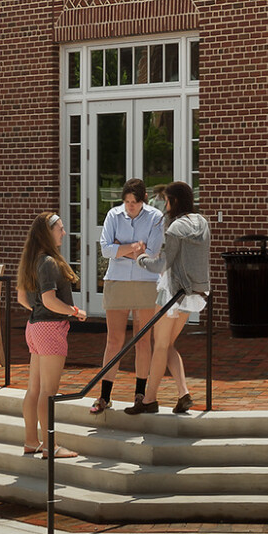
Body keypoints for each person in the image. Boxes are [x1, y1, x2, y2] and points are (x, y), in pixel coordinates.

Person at [131, 180, 208, 416]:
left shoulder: (175, 228)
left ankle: (149, 400)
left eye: (166, 200)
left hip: (171, 292)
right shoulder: (203, 223)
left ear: (173, 201)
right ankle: (183, 393)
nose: (164, 204)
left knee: (160, 345)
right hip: (193, 293)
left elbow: (162, 264)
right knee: (168, 345)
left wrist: (140, 257)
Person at [16, 210, 87, 458]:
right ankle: (49, 446)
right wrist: (75, 311)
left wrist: (40, 310)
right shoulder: (47, 261)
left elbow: (22, 298)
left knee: (34, 389)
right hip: (49, 329)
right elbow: (49, 300)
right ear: (48, 232)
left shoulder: (32, 259)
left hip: (34, 327)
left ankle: (31, 441)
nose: (64, 233)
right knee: (48, 392)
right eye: (60, 229)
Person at [92, 177, 164, 415]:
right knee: (114, 340)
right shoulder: (113, 215)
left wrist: (121, 249)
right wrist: (136, 248)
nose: (130, 206)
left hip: (146, 283)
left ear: (143, 199)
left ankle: (140, 395)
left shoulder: (155, 218)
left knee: (143, 340)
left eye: (134, 202)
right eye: (127, 202)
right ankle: (104, 396)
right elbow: (105, 249)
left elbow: (152, 254)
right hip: (117, 281)